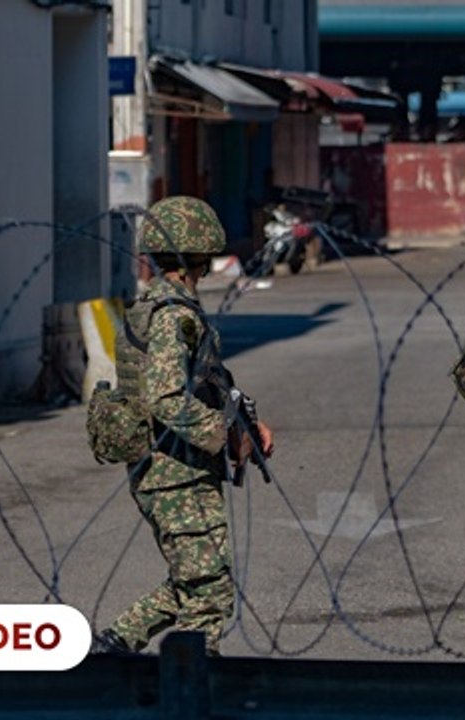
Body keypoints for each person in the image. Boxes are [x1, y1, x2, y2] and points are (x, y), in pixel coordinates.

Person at [96, 195, 274, 656]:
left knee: (200, 579)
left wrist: (246, 420)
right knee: (209, 593)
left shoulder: (157, 304)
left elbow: (203, 381)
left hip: (170, 468)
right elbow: (166, 396)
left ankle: (116, 643)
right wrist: (225, 434)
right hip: (175, 472)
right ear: (204, 251)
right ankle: (194, 684)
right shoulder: (174, 314)